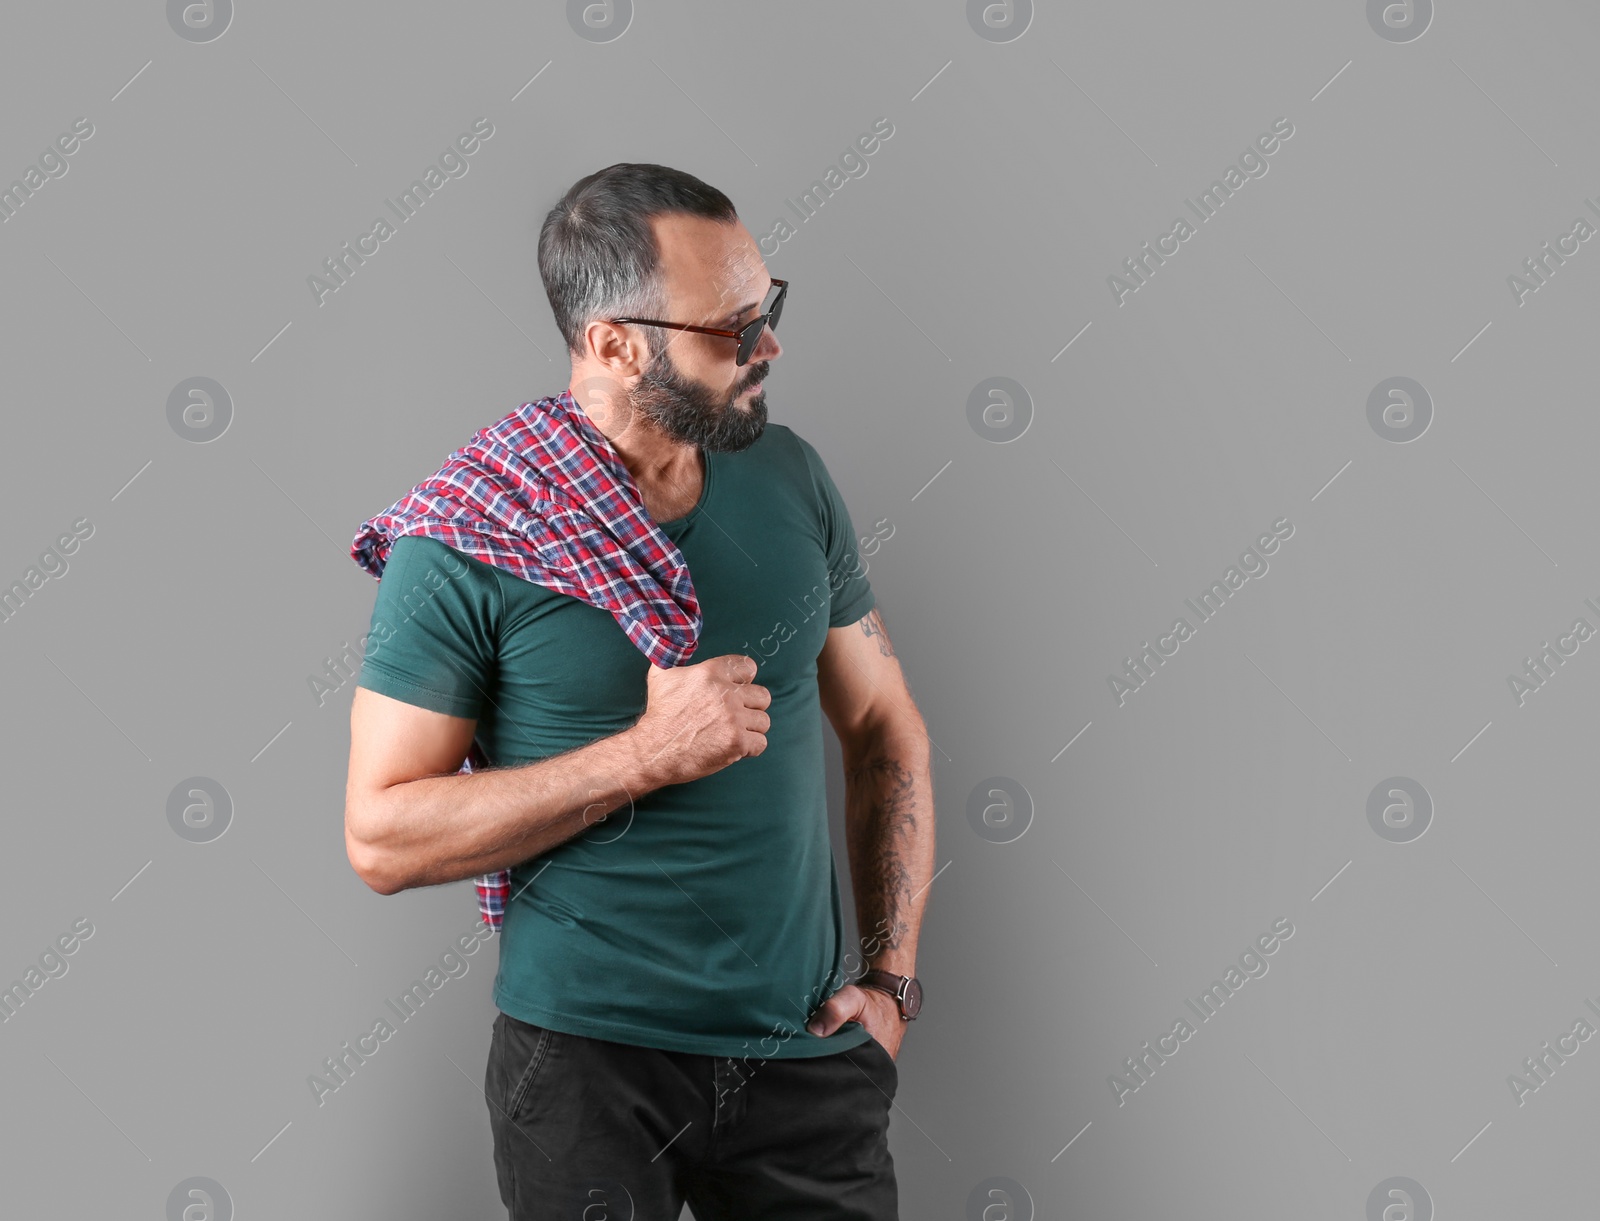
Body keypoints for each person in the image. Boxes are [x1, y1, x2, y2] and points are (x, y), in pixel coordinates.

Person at [343, 162, 934, 1220]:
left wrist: (889, 982)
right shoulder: (472, 535)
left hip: (803, 1055)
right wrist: (646, 756)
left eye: (770, 308)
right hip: (582, 1074)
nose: (770, 346)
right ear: (612, 343)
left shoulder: (792, 476)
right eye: (731, 327)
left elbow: (885, 722)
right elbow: (381, 838)